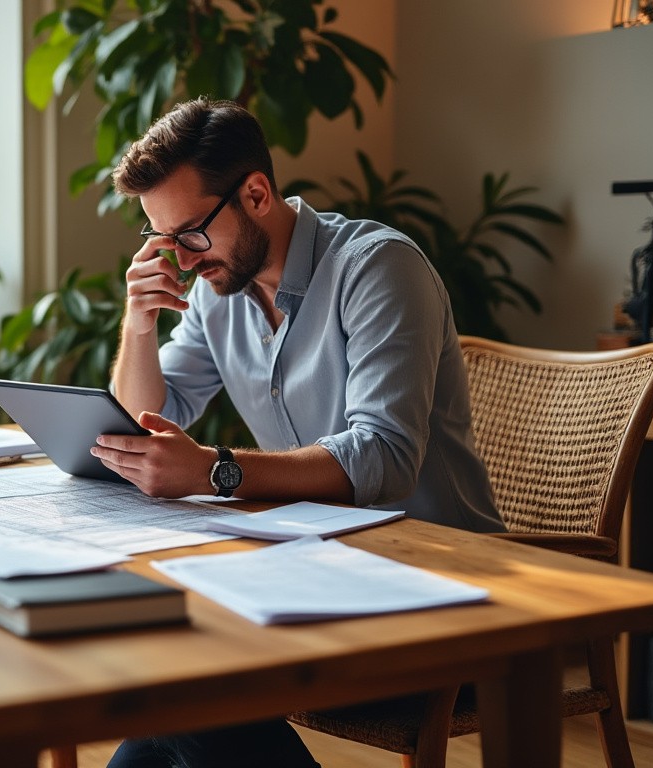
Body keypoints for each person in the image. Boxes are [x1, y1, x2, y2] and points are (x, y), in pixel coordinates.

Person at [88, 97, 505, 767]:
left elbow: (384, 456)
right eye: (165, 241)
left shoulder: (377, 268)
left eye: (191, 234)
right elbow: (145, 424)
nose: (184, 262)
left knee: (191, 686)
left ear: (256, 194)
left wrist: (215, 469)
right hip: (320, 573)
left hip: (440, 592)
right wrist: (138, 325)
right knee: (166, 679)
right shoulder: (219, 293)